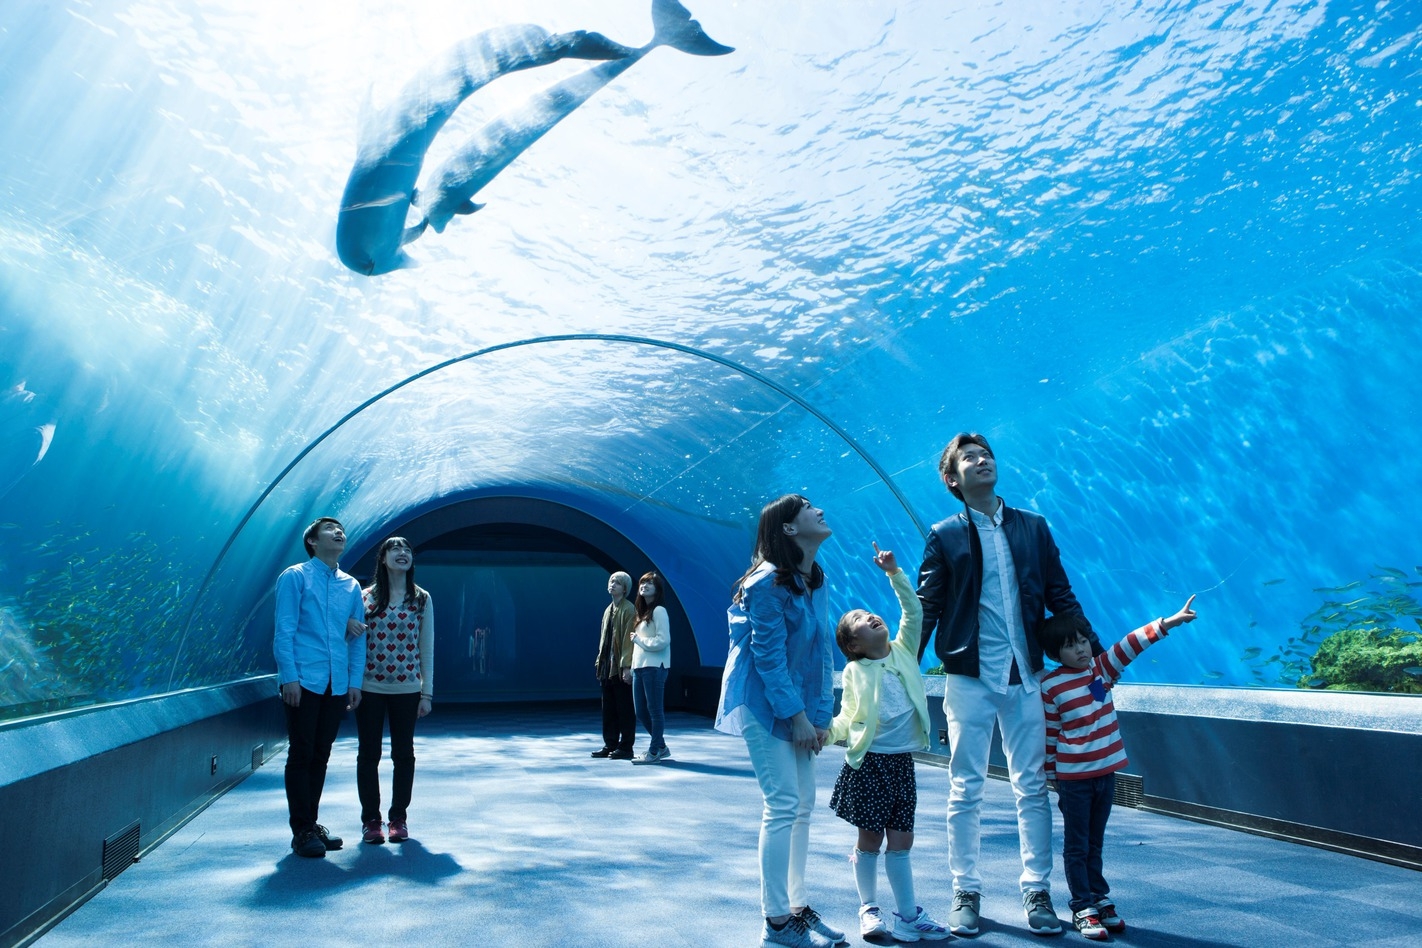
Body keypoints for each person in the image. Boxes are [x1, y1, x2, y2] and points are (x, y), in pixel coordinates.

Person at [916, 433, 1102, 936]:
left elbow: (1061, 594)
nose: (982, 461)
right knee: (965, 786)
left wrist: (1097, 656)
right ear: (953, 479)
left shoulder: (1034, 528)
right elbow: (927, 606)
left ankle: (1036, 890)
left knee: (1032, 787)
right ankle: (965, 888)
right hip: (969, 676)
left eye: (987, 455)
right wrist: (904, 667)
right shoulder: (944, 534)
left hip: (1026, 676)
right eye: (969, 458)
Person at [715, 495, 845, 948]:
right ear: (788, 528)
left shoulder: (815, 579)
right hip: (762, 702)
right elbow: (767, 657)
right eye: (808, 507)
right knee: (784, 802)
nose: (819, 509)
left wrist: (821, 715)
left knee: (803, 804)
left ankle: (795, 905)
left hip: (799, 705)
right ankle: (775, 923)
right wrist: (796, 716)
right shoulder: (765, 582)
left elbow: (822, 652)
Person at [1037, 596, 1198, 940]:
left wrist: (1167, 623)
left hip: (1105, 774)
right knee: (1077, 844)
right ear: (1054, 653)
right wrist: (1052, 775)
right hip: (1074, 779)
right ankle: (1082, 905)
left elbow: (1129, 643)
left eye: (1083, 641)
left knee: (1095, 841)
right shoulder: (1050, 686)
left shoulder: (1101, 669)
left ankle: (1099, 896)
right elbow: (1050, 734)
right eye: (1070, 646)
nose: (1080, 650)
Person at [829, 543, 950, 942]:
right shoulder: (854, 671)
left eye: (870, 613)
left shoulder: (903, 652)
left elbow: (913, 612)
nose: (871, 617)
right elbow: (848, 715)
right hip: (870, 764)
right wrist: (826, 733)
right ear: (854, 645)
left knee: (902, 840)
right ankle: (868, 909)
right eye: (860, 620)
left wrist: (894, 573)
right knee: (870, 839)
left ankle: (908, 916)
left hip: (901, 763)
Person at [273, 516, 367, 858]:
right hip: (305, 680)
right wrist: (289, 678)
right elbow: (284, 630)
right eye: (329, 529)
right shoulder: (295, 577)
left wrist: (353, 682)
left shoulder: (351, 585)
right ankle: (301, 831)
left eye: (341, 528)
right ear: (312, 541)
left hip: (336, 683)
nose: (339, 532)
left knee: (321, 755)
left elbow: (357, 641)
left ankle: (311, 824)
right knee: (301, 753)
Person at [355, 536, 434, 845]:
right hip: (369, 687)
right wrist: (352, 685)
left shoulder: (421, 598)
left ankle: (398, 817)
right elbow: (355, 647)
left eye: (408, 548)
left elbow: (425, 648)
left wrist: (426, 692)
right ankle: (371, 820)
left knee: (404, 754)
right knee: (368, 754)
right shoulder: (365, 598)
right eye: (395, 548)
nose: (403, 552)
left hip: (408, 688)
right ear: (383, 558)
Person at [592, 571, 637, 760]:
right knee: (608, 708)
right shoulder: (607, 610)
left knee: (624, 707)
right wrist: (599, 662)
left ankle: (626, 746)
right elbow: (604, 640)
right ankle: (610, 744)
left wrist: (626, 666)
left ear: (625, 588)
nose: (613, 585)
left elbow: (628, 640)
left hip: (619, 667)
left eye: (617, 583)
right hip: (607, 667)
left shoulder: (629, 609)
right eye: (611, 581)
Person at [630, 571, 672, 764]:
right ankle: (661, 747)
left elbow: (663, 640)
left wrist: (640, 640)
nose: (644, 586)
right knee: (641, 711)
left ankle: (654, 751)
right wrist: (632, 668)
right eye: (643, 583)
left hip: (655, 666)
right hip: (640, 667)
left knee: (655, 710)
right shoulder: (642, 612)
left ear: (658, 589)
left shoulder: (659, 611)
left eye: (649, 584)